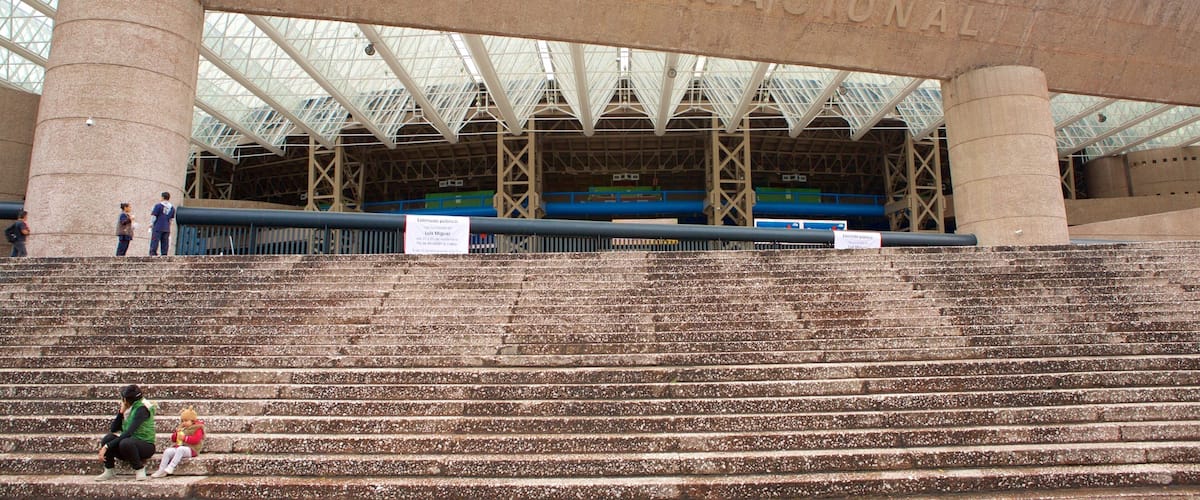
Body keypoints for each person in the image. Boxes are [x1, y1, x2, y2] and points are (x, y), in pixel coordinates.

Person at [95, 384, 157, 481]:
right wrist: (121, 413)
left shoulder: (142, 409)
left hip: (145, 446)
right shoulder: (129, 409)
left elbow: (128, 433)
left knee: (126, 442)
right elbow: (114, 429)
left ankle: (139, 469)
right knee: (108, 438)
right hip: (130, 444)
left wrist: (107, 447)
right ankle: (109, 470)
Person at [151, 406, 205, 478]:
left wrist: (185, 438)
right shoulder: (182, 428)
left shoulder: (198, 428)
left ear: (192, 421)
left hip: (192, 449)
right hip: (180, 447)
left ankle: (171, 466)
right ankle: (161, 469)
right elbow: (173, 439)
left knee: (181, 449)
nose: (184, 423)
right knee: (168, 451)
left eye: (186, 421)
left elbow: (196, 440)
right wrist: (176, 434)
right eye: (182, 421)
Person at [149, 192, 174, 256]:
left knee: (155, 241)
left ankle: (153, 253)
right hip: (166, 227)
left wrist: (151, 223)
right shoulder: (172, 208)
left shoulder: (158, 206)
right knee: (165, 242)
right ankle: (164, 254)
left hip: (158, 226)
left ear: (162, 197)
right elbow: (171, 219)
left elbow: (154, 216)